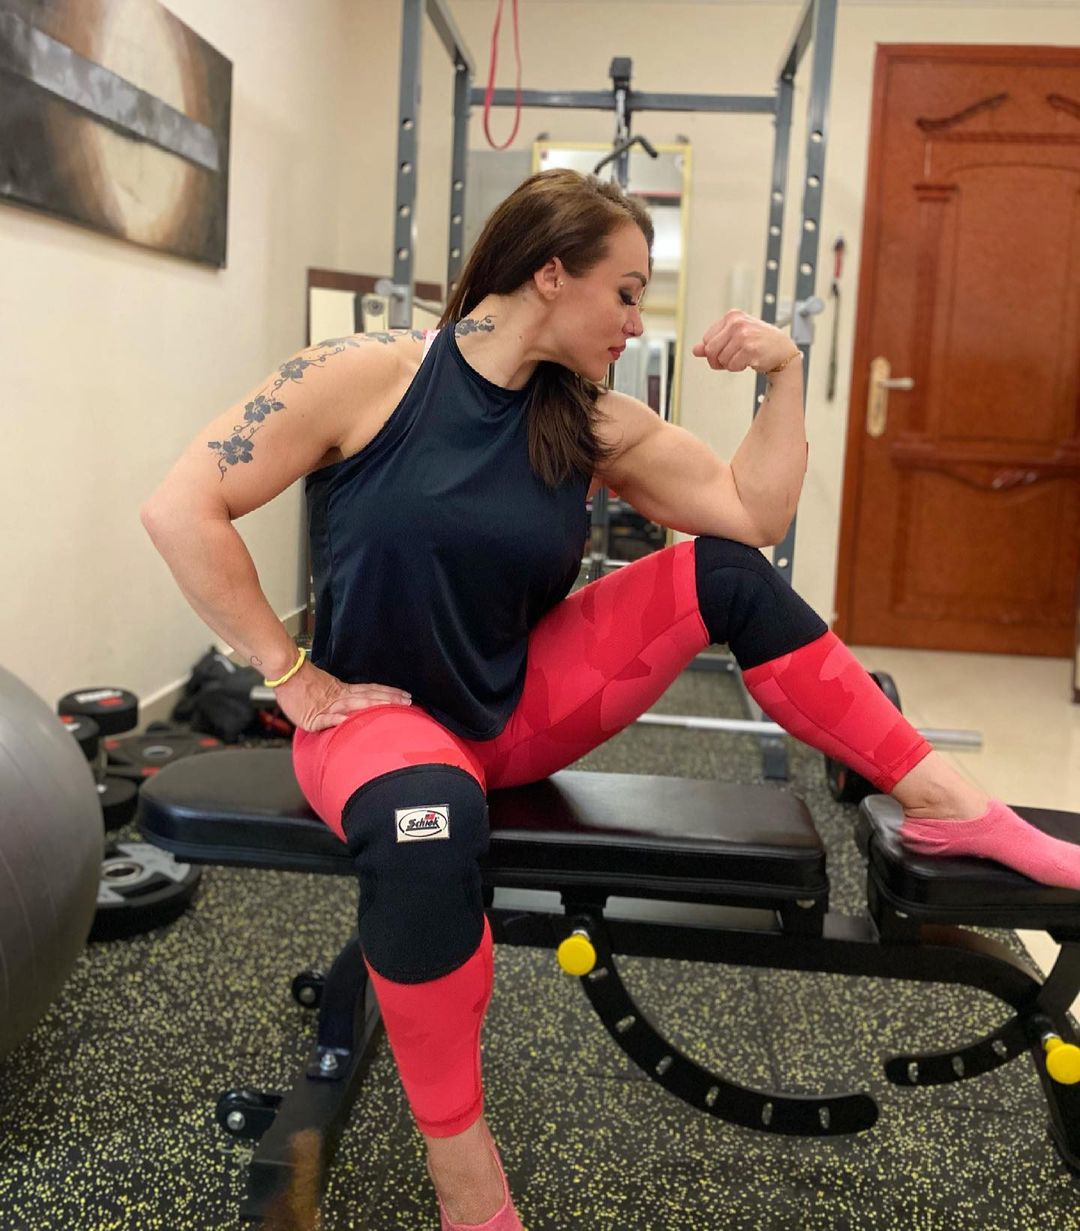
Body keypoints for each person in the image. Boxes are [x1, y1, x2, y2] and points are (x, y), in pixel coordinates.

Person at [141, 168, 1080, 1231]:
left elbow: (751, 514)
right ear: (551, 274)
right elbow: (183, 506)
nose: (638, 322)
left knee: (725, 572)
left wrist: (784, 372)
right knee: (424, 821)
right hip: (379, 723)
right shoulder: (367, 376)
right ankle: (468, 1184)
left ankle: (950, 803)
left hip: (516, 710)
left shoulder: (589, 422)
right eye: (626, 293)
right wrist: (288, 672)